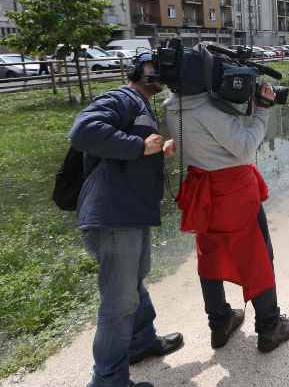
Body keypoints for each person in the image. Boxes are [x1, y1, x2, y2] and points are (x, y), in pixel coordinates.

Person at [69, 52, 183, 387]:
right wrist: (139, 147)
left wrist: (157, 150)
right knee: (119, 303)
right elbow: (83, 131)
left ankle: (141, 343)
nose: (159, 72)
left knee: (134, 284)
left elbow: (132, 153)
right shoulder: (121, 97)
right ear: (137, 70)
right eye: (153, 66)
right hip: (113, 216)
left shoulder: (142, 104)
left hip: (130, 213)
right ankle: (108, 381)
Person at [165, 82, 289, 354]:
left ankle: (220, 322)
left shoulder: (174, 104)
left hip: (202, 189)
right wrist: (262, 110)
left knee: (210, 255)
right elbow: (246, 147)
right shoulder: (206, 109)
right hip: (233, 190)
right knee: (257, 255)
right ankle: (269, 326)